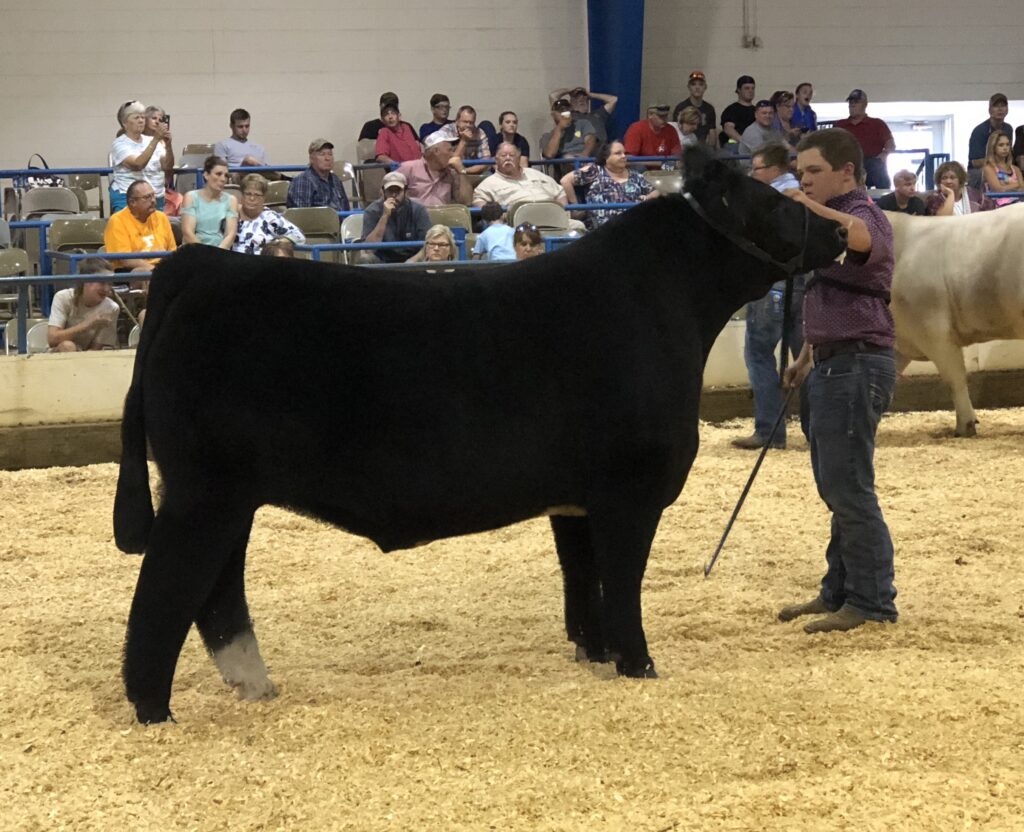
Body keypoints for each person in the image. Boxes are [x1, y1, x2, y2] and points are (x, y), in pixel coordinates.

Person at [778, 127, 898, 634]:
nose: (804, 182)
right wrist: (805, 358)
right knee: (837, 486)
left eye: (813, 172)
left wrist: (808, 206)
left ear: (847, 171)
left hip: (855, 365)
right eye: (800, 172)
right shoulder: (834, 220)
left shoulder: (864, 213)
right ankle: (839, 591)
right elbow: (834, 299)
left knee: (849, 488)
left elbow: (865, 239)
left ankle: (872, 601)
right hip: (833, 363)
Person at [732, 142, 807, 451]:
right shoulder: (804, 195)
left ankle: (770, 431)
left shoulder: (769, 200)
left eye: (757, 168)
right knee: (806, 359)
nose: (753, 174)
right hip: (804, 283)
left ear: (775, 169)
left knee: (759, 354)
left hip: (772, 284)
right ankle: (818, 429)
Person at [560, 140, 656, 229]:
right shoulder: (595, 171)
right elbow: (565, 181)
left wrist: (648, 197)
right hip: (603, 228)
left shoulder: (635, 175)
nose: (623, 156)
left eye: (624, 153)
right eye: (618, 153)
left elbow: (657, 190)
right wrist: (575, 205)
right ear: (606, 157)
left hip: (634, 225)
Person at [109, 101, 171, 212]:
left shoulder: (151, 141)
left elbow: (167, 166)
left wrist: (168, 145)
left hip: (156, 196)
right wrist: (156, 139)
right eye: (136, 117)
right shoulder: (119, 143)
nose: (141, 120)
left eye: (143, 117)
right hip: (128, 197)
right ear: (125, 123)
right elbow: (138, 164)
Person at [47, 258, 120, 352]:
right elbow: (52, 339)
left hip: (88, 356)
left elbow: (97, 348)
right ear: (85, 281)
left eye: (110, 284)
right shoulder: (63, 297)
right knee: (68, 346)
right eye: (102, 283)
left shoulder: (112, 308)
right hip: (59, 354)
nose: (106, 289)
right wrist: (87, 324)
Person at [103, 180, 177, 273]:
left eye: (153, 195)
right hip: (131, 272)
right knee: (141, 272)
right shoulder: (117, 221)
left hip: (161, 269)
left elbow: (172, 252)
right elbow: (126, 260)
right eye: (147, 197)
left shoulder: (161, 217)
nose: (153, 200)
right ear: (132, 202)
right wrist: (156, 271)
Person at [358, 171, 431, 263]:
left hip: (413, 258)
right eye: (390, 191)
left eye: (398, 191)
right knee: (366, 259)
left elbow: (427, 245)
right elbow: (369, 249)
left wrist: (412, 261)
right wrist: (385, 216)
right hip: (383, 260)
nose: (393, 195)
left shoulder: (418, 210)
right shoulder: (372, 211)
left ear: (405, 191)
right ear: (383, 191)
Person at [472, 143, 569, 207]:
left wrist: (564, 214)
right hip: (518, 225)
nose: (508, 158)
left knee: (578, 226)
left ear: (518, 158)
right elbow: (478, 201)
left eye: (512, 155)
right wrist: (499, 218)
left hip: (551, 217)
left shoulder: (535, 174)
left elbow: (560, 192)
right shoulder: (489, 183)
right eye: (503, 155)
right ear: (496, 160)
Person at [834, 89, 895, 188]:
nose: (852, 105)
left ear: (865, 104)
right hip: (847, 163)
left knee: (877, 166)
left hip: (871, 163)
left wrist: (884, 153)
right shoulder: (840, 125)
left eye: (856, 102)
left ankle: (883, 198)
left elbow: (890, 143)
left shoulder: (877, 124)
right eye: (850, 102)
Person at [233, 173, 306, 255]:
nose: (252, 198)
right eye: (248, 194)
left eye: (257, 195)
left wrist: (277, 244)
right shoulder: (233, 214)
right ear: (242, 195)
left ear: (264, 198)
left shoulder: (270, 217)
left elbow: (298, 235)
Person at [396, 132, 470, 206]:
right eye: (449, 150)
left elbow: (467, 202)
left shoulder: (451, 173)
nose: (452, 155)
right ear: (436, 151)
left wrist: (462, 171)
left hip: (443, 216)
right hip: (415, 216)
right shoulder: (409, 168)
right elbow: (388, 194)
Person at [181, 156, 239, 248]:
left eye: (226, 175)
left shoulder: (231, 200)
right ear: (206, 175)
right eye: (218, 174)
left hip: (220, 252)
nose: (223, 179)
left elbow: (230, 235)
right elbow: (188, 233)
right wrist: (206, 256)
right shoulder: (191, 197)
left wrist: (216, 255)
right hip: (194, 251)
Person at [287, 139, 350, 210]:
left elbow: (346, 207)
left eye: (330, 154)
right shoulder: (302, 181)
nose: (327, 158)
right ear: (311, 159)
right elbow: (301, 215)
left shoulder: (335, 179)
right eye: (322, 154)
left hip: (340, 220)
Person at [540, 98, 596, 176]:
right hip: (564, 166)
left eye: (567, 110)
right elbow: (550, 154)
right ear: (554, 115)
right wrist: (559, 128)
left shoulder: (583, 124)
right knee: (568, 158)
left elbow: (590, 140)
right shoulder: (547, 136)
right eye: (561, 111)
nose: (565, 113)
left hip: (584, 159)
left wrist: (584, 155)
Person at [967, 93, 1012, 189]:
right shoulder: (979, 131)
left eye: (1003, 106)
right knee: (990, 174)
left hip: (1000, 167)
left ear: (1007, 110)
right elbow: (975, 162)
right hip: (978, 171)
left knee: (1014, 173)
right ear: (990, 110)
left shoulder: (1008, 129)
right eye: (996, 106)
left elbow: (1009, 154)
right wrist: (998, 164)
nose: (1000, 109)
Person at [549, 86, 619, 144]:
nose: (581, 100)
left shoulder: (598, 114)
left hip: (600, 153)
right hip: (578, 151)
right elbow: (553, 96)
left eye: (584, 98)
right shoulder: (567, 116)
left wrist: (590, 94)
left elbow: (613, 100)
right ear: (571, 103)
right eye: (577, 98)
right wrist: (569, 90)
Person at [432, 106, 491, 173]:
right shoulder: (446, 131)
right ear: (457, 121)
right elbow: (450, 163)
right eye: (465, 122)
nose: (468, 125)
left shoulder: (480, 133)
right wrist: (464, 140)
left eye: (471, 123)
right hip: (450, 173)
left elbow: (486, 162)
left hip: (473, 172)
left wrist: (464, 171)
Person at [925, 161, 995, 215]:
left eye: (952, 178)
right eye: (944, 178)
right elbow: (943, 220)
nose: (948, 181)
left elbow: (991, 214)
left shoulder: (976, 196)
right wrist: (950, 194)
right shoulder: (934, 199)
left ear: (960, 179)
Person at [623, 104, 681, 169]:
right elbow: (628, 159)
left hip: (664, 170)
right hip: (643, 170)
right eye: (660, 116)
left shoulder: (671, 130)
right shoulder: (636, 129)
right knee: (639, 168)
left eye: (666, 116)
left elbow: (677, 156)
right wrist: (659, 163)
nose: (664, 119)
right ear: (650, 115)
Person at [672, 70, 717, 147]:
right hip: (685, 146)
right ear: (689, 87)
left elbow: (712, 132)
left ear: (705, 87)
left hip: (703, 148)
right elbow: (676, 130)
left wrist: (709, 151)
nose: (697, 87)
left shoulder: (709, 109)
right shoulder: (681, 107)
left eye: (700, 84)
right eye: (693, 84)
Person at [141, 105, 174, 209]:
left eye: (160, 119)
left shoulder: (162, 142)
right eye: (153, 118)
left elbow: (168, 166)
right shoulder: (138, 138)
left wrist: (168, 145)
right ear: (145, 120)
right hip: (142, 188)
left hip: (159, 190)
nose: (157, 122)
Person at [982, 130, 1023, 206]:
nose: (1005, 148)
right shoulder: (989, 168)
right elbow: (999, 189)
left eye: (1007, 145)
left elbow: (1022, 188)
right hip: (1000, 206)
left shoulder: (1016, 169)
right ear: (993, 147)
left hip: (1019, 203)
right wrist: (1017, 184)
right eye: (1001, 145)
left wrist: (1006, 187)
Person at [719, 75, 757, 149]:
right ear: (739, 90)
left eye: (753, 88)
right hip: (735, 146)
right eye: (747, 88)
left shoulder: (757, 111)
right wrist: (745, 143)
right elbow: (728, 129)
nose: (750, 91)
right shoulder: (731, 110)